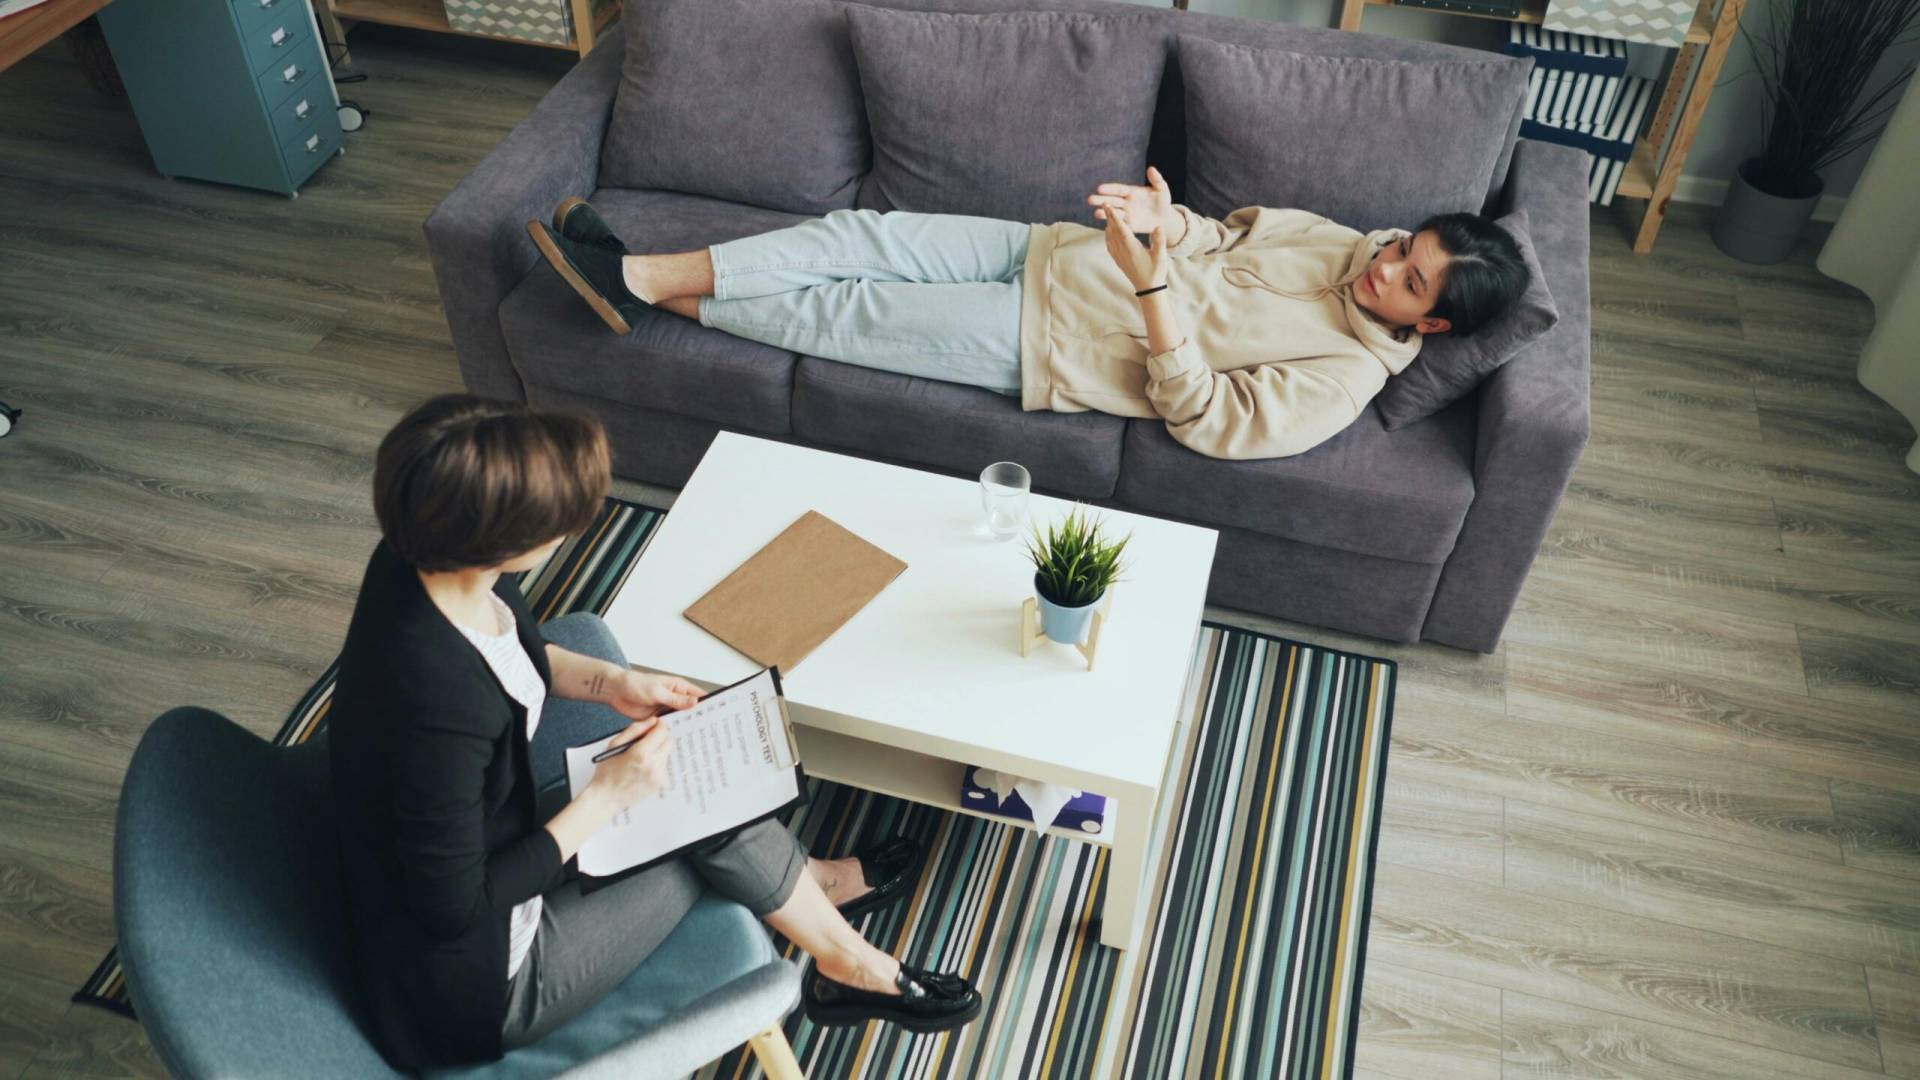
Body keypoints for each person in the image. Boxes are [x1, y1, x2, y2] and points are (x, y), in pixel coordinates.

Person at [328, 395, 980, 1071]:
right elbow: (454, 909)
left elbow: (510, 652)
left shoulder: (424, 559)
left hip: (493, 837)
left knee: (690, 776)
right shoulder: (435, 707)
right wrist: (609, 799)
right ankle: (847, 958)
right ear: (503, 542)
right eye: (558, 529)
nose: (570, 537)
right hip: (478, 979)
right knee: (696, 801)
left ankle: (818, 899)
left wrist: (612, 684)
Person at [526, 166, 1530, 461]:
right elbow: (1220, 237)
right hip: (1051, 249)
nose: (1387, 265)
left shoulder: (1346, 380)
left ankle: (630, 289)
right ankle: (642, 278)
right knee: (857, 235)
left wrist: (1150, 289)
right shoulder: (1345, 245)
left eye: (1410, 280)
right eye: (1405, 246)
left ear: (1431, 326)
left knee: (851, 312)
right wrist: (1162, 224)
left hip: (1052, 342)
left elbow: (1208, 420)